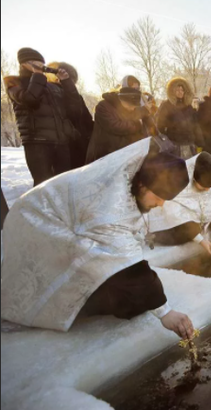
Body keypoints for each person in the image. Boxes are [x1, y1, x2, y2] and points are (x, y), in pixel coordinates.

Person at [1, 138, 196, 339]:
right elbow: (127, 265)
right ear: (143, 184)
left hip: (58, 221)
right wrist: (165, 312)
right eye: (159, 196)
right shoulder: (109, 204)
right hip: (35, 222)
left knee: (128, 297)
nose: (161, 204)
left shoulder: (131, 179)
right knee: (66, 289)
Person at [4, 48, 79, 186]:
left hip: (61, 142)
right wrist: (38, 76)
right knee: (43, 185)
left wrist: (66, 81)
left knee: (64, 183)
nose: (39, 65)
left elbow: (74, 103)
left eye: (41, 62)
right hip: (37, 142)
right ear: (23, 64)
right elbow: (29, 100)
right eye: (34, 62)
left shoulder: (51, 86)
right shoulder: (13, 82)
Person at [150, 152, 211, 255]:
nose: (206, 190)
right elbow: (171, 211)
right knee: (175, 236)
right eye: (203, 187)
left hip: (194, 220)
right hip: (175, 220)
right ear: (194, 179)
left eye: (209, 188)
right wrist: (200, 240)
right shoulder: (179, 177)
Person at [45, 61, 94, 170]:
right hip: (65, 145)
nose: (71, 85)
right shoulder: (51, 95)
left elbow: (86, 119)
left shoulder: (76, 96)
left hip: (81, 142)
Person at [86, 86, 152, 164]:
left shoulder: (127, 108)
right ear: (122, 100)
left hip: (121, 153)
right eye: (130, 106)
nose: (132, 109)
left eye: (134, 107)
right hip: (104, 153)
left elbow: (135, 115)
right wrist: (137, 125)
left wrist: (145, 110)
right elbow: (115, 126)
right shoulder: (103, 106)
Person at [156, 77, 201, 159]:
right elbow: (160, 126)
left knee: (191, 169)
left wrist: (199, 142)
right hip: (175, 145)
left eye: (182, 90)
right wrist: (168, 142)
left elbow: (195, 125)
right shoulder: (166, 105)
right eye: (177, 90)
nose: (180, 92)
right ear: (172, 91)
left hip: (190, 144)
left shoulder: (189, 106)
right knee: (178, 170)